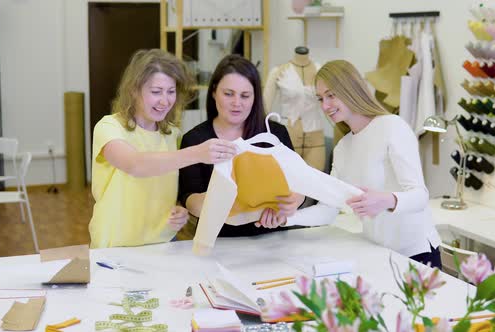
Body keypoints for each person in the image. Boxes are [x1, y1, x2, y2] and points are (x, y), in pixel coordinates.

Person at [285, 60, 442, 268]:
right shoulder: (342, 148)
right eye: (321, 98)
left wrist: (386, 200)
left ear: (350, 89)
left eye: (331, 95)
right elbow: (328, 210)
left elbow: (420, 196)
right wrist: (287, 219)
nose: (325, 106)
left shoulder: (392, 126)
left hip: (416, 254)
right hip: (379, 254)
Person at [90, 49, 237, 249]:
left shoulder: (172, 136)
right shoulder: (109, 127)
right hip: (116, 247)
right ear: (134, 90)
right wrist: (197, 153)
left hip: (164, 243)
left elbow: (167, 189)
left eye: (171, 91)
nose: (165, 101)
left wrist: (179, 210)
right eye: (156, 92)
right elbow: (135, 165)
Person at [178, 54, 305, 237]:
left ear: (255, 97)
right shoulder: (195, 139)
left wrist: (291, 204)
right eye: (228, 94)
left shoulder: (274, 134)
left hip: (272, 239)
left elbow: (300, 183)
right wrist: (223, 202)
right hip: (218, 241)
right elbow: (189, 198)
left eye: (245, 95)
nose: (237, 103)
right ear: (214, 92)